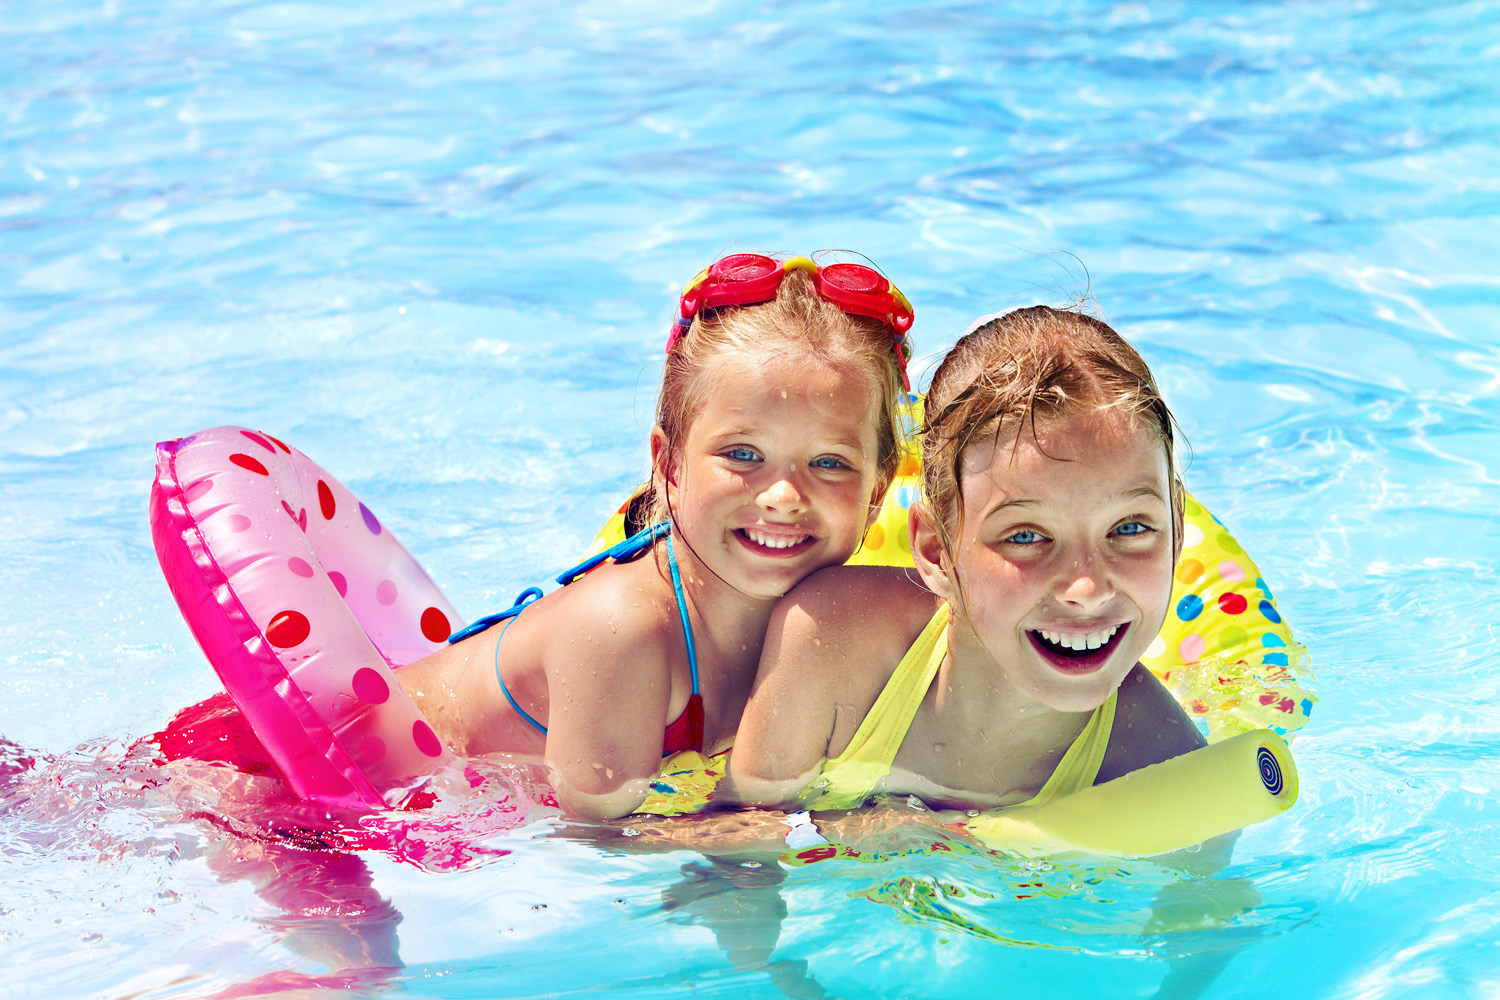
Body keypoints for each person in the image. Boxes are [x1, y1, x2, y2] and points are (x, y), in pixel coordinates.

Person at [397, 253, 914, 820]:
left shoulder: (843, 623)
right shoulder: (622, 630)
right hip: (347, 794)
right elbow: (598, 845)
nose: (784, 496)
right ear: (668, 467)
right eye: (743, 454)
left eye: (830, 462)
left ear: (875, 493)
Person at [728, 304, 1206, 814]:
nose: (1086, 588)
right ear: (937, 553)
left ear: (1176, 530)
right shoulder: (832, 642)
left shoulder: (1165, 771)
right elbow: (739, 851)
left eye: (1130, 529)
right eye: (1026, 536)